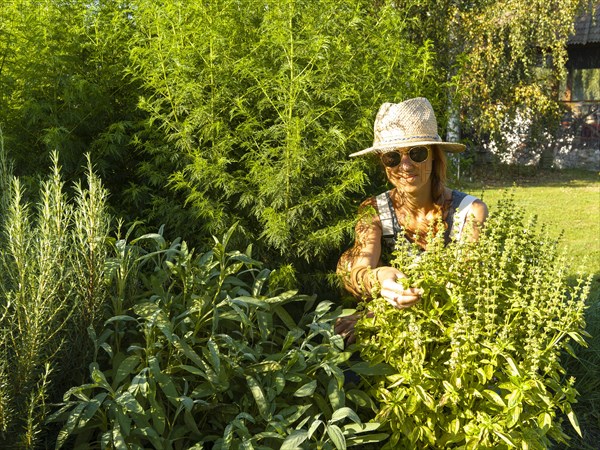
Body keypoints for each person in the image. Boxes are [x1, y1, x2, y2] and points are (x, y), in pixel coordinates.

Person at [336, 97, 488, 342]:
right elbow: (356, 273)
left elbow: (465, 286)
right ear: (384, 164)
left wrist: (376, 315)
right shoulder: (373, 210)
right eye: (392, 157)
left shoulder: (469, 211)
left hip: (449, 331)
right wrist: (380, 277)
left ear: (434, 156)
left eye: (416, 153)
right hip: (393, 333)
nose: (404, 165)